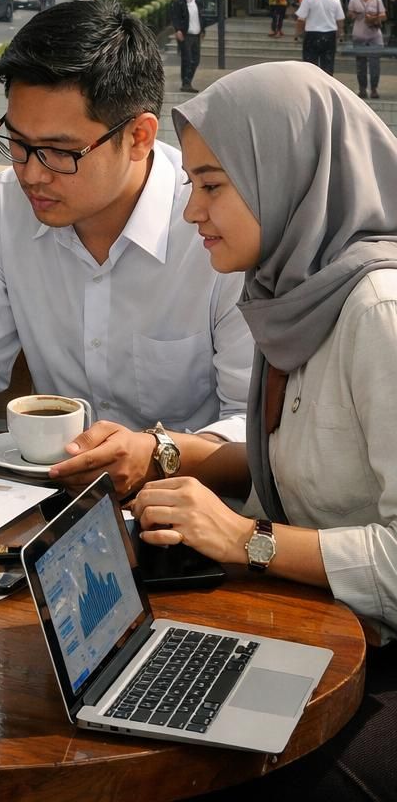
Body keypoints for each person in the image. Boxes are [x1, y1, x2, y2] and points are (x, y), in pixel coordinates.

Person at [0, 0, 252, 499]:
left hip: (189, 515)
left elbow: (253, 427)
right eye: (17, 143)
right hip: (46, 500)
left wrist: (157, 453)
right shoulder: (6, 202)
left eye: (60, 152)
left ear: (139, 137)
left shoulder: (214, 225)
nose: (31, 173)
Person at [132, 62, 397, 802]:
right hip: (334, 629)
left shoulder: (377, 311)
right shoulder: (297, 290)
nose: (192, 212)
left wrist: (247, 541)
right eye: (190, 185)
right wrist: (169, 465)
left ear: (290, 175)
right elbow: (317, 463)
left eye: (213, 185)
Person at [295, 0, 345, 75]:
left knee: (310, 66)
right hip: (329, 34)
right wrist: (340, 33)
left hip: (311, 35)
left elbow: (301, 19)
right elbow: (340, 19)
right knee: (328, 65)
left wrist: (298, 33)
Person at [347, 0, 386, 100]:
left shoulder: (377, 0)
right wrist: (354, 14)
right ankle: (362, 89)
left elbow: (383, 16)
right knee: (361, 64)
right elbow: (350, 15)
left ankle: (374, 88)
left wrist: (374, 18)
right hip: (359, 35)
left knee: (375, 64)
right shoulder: (354, 1)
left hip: (374, 35)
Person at [171, 0, 204, 92]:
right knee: (187, 59)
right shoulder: (179, 2)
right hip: (185, 35)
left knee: (196, 59)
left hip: (196, 34)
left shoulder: (198, 2)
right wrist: (178, 30)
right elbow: (175, 17)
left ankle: (188, 80)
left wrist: (202, 30)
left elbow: (200, 17)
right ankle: (186, 83)